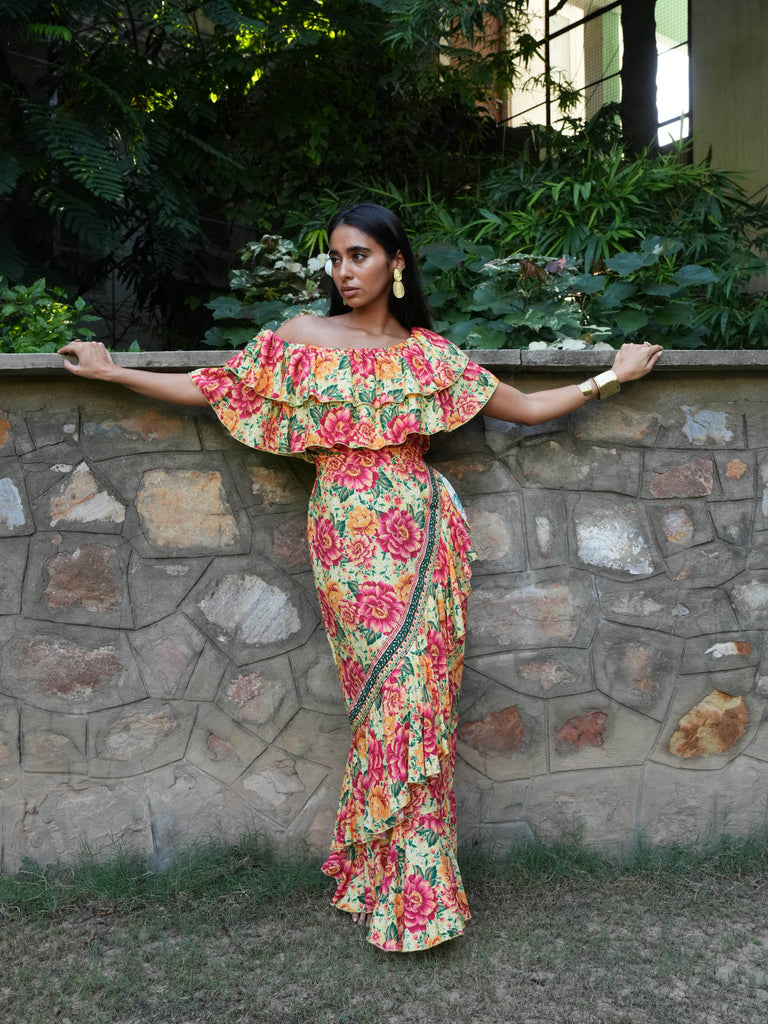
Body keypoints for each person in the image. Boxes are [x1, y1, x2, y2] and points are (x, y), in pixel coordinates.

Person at [59, 202, 662, 952]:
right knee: (387, 705)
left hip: (425, 534)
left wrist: (616, 374)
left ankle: (413, 890)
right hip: (345, 535)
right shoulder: (300, 340)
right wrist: (116, 370)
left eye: (358, 257)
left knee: (423, 709)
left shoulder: (431, 357)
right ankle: (384, 876)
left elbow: (531, 408)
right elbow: (215, 387)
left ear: (395, 263)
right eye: (336, 260)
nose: (343, 273)